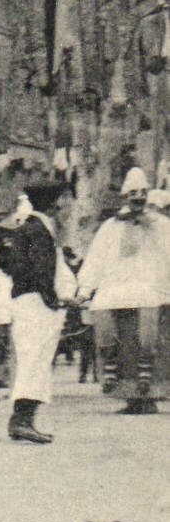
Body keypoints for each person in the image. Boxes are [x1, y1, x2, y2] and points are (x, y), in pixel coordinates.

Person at [75, 167, 170, 414]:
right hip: (116, 291)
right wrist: (86, 288)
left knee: (148, 345)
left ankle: (149, 395)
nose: (137, 198)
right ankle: (129, 396)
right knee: (118, 344)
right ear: (125, 197)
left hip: (151, 290)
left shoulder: (161, 225)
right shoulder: (111, 227)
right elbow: (96, 257)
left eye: (142, 193)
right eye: (132, 194)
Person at [0, 181, 74, 444]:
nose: (66, 206)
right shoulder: (40, 230)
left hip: (27, 301)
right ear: (53, 204)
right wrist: (54, 299)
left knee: (33, 360)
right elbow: (41, 270)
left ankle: (21, 420)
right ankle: (22, 420)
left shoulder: (29, 228)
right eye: (64, 201)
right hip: (36, 303)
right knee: (35, 361)